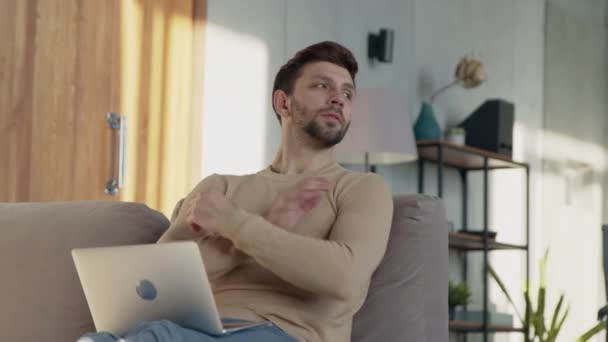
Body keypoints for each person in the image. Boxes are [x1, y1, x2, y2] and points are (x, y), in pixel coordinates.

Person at [79, 41, 393, 342]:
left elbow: (344, 277)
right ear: (283, 102)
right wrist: (269, 225)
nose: (338, 98)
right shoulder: (221, 187)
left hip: (286, 335)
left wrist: (235, 224)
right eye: (322, 86)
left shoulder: (362, 188)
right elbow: (153, 285)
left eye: (347, 93)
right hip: (198, 331)